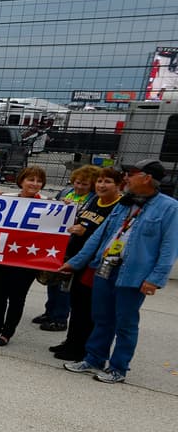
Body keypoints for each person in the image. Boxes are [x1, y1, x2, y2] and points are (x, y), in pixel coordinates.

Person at [61, 160, 178, 383]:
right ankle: (94, 359)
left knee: (125, 322)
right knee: (101, 318)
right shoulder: (124, 203)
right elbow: (99, 236)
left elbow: (170, 247)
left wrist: (155, 279)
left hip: (134, 275)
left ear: (146, 178)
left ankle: (118, 368)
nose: (125, 178)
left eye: (131, 174)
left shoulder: (170, 208)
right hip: (104, 268)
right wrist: (76, 262)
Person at [50, 168, 123, 361]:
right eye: (99, 181)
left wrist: (85, 232)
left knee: (87, 308)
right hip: (77, 259)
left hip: (94, 264)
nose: (101, 185)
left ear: (118, 185)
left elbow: (111, 235)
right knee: (76, 305)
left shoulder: (118, 206)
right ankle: (72, 341)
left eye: (107, 181)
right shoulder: (94, 201)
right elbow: (83, 221)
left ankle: (81, 348)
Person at [0, 166, 47, 347]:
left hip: (27, 260)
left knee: (17, 298)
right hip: (3, 256)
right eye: (30, 179)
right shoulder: (6, 200)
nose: (34, 184)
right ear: (21, 181)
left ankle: (7, 333)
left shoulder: (49, 204)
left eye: (38, 181)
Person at [34, 165, 100, 332]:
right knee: (52, 279)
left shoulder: (94, 200)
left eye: (84, 184)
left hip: (75, 246)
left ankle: (60, 318)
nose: (79, 187)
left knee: (65, 284)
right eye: (77, 182)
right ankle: (49, 312)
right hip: (57, 244)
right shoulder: (65, 192)